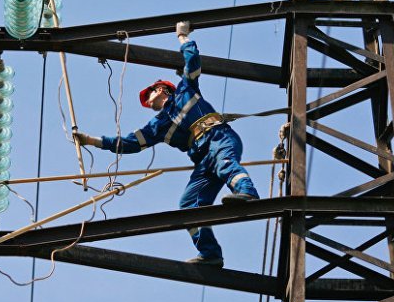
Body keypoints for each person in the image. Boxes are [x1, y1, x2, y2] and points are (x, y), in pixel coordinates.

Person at [75, 21, 259, 268]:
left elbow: (193, 61)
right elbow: (129, 143)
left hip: (218, 137)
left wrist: (182, 36)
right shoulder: (158, 126)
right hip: (203, 159)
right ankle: (211, 254)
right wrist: (92, 141)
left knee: (225, 163)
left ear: (162, 89)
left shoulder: (185, 90)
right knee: (188, 205)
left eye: (149, 94)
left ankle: (248, 193)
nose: (147, 100)